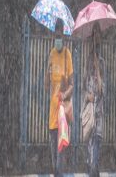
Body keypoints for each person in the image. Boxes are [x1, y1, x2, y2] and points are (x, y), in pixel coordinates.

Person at [44, 21, 74, 177]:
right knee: (52, 152)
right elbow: (46, 87)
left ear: (63, 35)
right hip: (52, 111)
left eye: (60, 36)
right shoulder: (51, 54)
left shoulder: (67, 55)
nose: (57, 38)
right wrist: (47, 70)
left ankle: (58, 173)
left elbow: (72, 85)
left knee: (59, 152)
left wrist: (65, 94)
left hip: (62, 110)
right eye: (55, 35)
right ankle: (56, 172)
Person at [84, 23, 106, 177]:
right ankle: (93, 171)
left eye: (98, 33)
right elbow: (84, 85)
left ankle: (93, 171)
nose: (96, 36)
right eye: (94, 34)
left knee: (96, 146)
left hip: (99, 111)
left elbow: (102, 89)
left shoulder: (102, 61)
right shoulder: (88, 59)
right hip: (89, 111)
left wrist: (98, 69)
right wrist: (87, 95)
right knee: (91, 150)